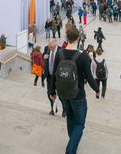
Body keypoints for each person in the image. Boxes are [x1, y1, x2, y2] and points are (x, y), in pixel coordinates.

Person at [48, 26, 99, 154]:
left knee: (70, 117)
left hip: (63, 93)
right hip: (78, 94)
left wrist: (51, 92)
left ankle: (73, 141)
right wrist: (97, 89)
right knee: (80, 123)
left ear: (66, 38)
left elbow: (54, 74)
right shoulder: (83, 57)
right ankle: (70, 149)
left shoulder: (59, 53)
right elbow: (89, 77)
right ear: (78, 38)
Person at [43, 39, 60, 116]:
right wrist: (44, 56)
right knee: (49, 93)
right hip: (49, 75)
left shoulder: (61, 51)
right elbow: (43, 55)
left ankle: (64, 110)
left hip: (58, 77)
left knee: (61, 94)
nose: (50, 49)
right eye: (49, 47)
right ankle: (53, 108)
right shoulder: (47, 48)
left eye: (52, 47)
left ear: (55, 45)